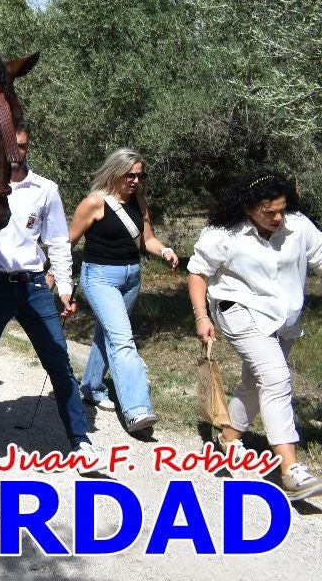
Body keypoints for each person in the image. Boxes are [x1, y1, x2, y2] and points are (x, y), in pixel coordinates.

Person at [0, 125, 98, 466]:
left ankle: (80, 442)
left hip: (34, 285)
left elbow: (58, 243)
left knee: (59, 361)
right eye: (8, 146)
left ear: (27, 145)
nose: (14, 153)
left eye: (20, 146)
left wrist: (65, 288)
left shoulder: (45, 190)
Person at [187, 170, 322, 501]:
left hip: (284, 317)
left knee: (255, 381)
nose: (278, 217)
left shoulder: (299, 226)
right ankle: (290, 470)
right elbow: (197, 272)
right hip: (238, 310)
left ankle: (228, 438)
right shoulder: (224, 234)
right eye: (269, 212)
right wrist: (202, 317)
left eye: (281, 209)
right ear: (247, 208)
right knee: (276, 379)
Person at [68, 147, 178, 433]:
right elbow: (67, 241)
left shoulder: (138, 201)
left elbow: (147, 240)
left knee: (107, 334)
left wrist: (164, 251)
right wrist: (57, 280)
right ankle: (137, 411)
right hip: (99, 277)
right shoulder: (94, 203)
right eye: (130, 175)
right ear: (115, 173)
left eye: (140, 176)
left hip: (131, 277)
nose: (136, 181)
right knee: (123, 339)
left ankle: (91, 386)